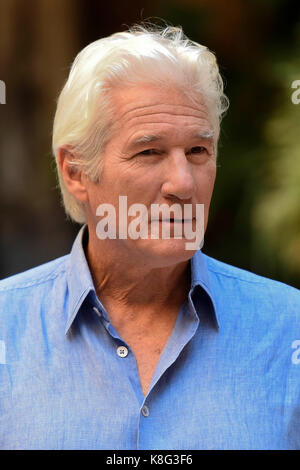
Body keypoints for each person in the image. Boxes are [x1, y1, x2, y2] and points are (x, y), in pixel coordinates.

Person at [0, 24, 299, 451]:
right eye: (149, 152)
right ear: (76, 171)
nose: (182, 183)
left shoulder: (289, 328)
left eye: (198, 151)